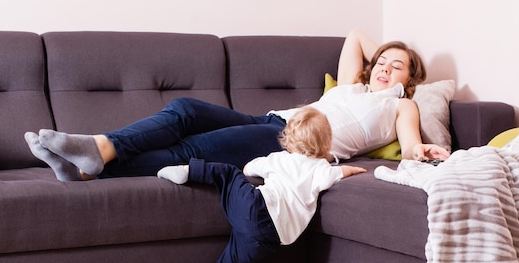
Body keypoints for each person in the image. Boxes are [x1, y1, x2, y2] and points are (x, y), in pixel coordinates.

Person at [24, 28, 450, 181]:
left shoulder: (400, 106)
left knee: (191, 150)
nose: (384, 69)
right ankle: (95, 153)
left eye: (396, 68)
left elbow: (411, 145)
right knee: (187, 109)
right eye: (381, 63)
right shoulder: (348, 87)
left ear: (408, 81)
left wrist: (421, 150)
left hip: (294, 143)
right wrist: (387, 57)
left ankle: (91, 162)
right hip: (271, 121)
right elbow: (356, 36)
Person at [157, 107, 366, 263]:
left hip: (256, 208)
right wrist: (351, 170)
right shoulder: (321, 168)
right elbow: (334, 174)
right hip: (273, 238)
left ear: (289, 140)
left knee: (229, 173)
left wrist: (248, 170)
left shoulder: (279, 159)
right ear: (325, 144)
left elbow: (249, 169)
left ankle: (187, 170)